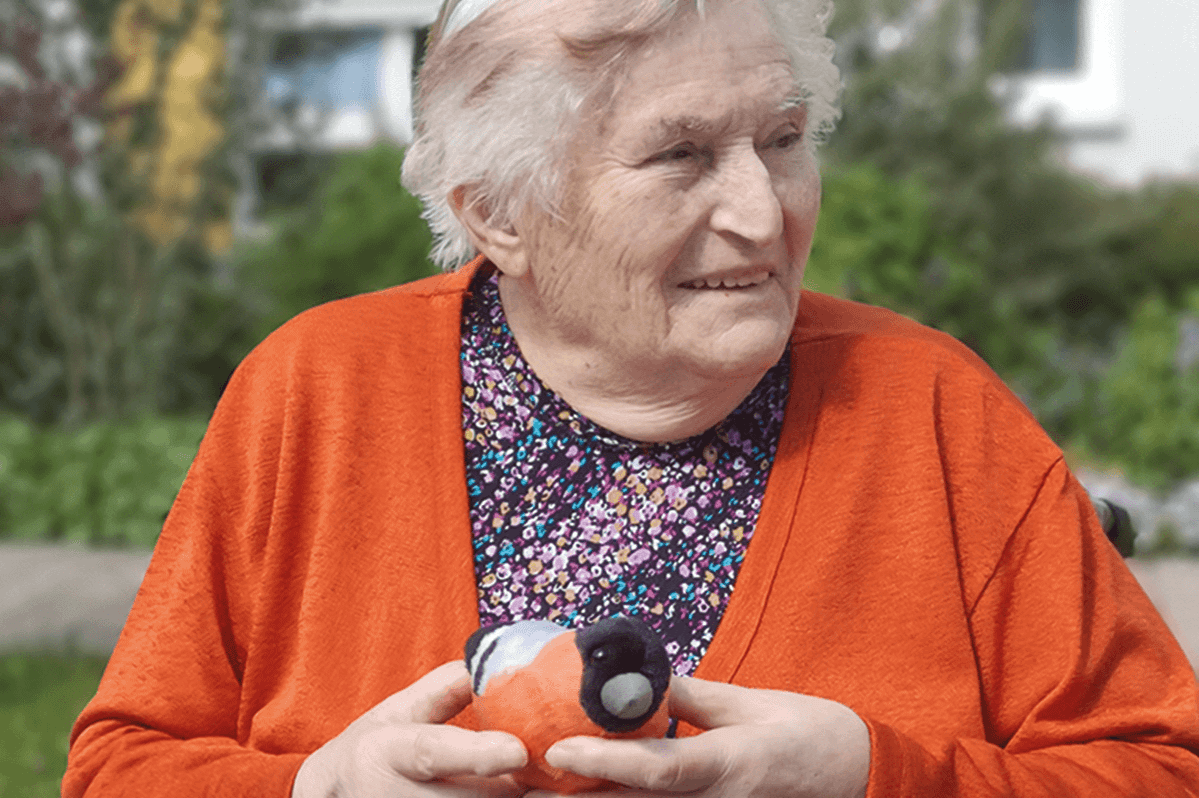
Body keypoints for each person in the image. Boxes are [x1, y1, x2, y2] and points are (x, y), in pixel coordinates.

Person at [65, 0, 1199, 795]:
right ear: (497, 213)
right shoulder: (313, 393)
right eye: (680, 157)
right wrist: (316, 792)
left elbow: (1160, 768)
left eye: (783, 139)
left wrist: (872, 777)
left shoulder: (933, 412)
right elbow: (119, 771)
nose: (764, 213)